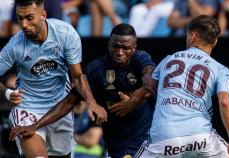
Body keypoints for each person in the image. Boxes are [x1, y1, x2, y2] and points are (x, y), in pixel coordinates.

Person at [10, 23, 156, 158]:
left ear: (134, 48)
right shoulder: (96, 70)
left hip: (148, 139)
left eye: (126, 48)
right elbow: (68, 103)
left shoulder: (140, 59)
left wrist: (134, 100)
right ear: (108, 45)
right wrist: (35, 125)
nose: (120, 52)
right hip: (119, 145)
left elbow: (150, 77)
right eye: (115, 46)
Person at [0, 0, 107, 157]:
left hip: (59, 108)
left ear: (43, 15)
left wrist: (91, 102)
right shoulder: (14, 46)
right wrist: (7, 93)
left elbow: (77, 77)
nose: (23, 24)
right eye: (19, 18)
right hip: (28, 107)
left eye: (29, 17)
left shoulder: (66, 34)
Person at [137, 15, 229, 157]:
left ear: (192, 36)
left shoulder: (169, 59)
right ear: (215, 41)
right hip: (202, 138)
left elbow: (147, 90)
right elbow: (224, 102)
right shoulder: (221, 69)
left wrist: (127, 104)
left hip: (164, 138)